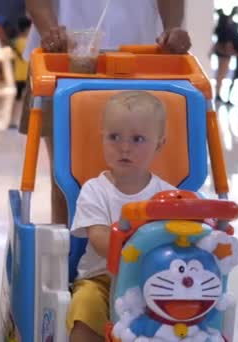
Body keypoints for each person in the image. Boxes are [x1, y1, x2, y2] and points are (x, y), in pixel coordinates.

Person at [21, 0, 191, 224]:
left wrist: (172, 29)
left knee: (144, 170)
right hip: (64, 57)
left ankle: (140, 244)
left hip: (141, 57)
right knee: (66, 177)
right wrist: (50, 31)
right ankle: (71, 250)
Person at [67, 91, 176, 341]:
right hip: (101, 280)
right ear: (102, 138)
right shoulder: (95, 190)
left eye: (138, 139)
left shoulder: (169, 196)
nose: (124, 147)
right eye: (114, 137)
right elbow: (99, 239)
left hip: (152, 282)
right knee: (84, 305)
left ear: (159, 144)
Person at [212, 6, 238, 103]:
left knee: (221, 73)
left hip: (222, 51)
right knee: (222, 73)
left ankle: (218, 93)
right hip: (224, 52)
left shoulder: (221, 26)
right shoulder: (227, 27)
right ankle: (217, 93)